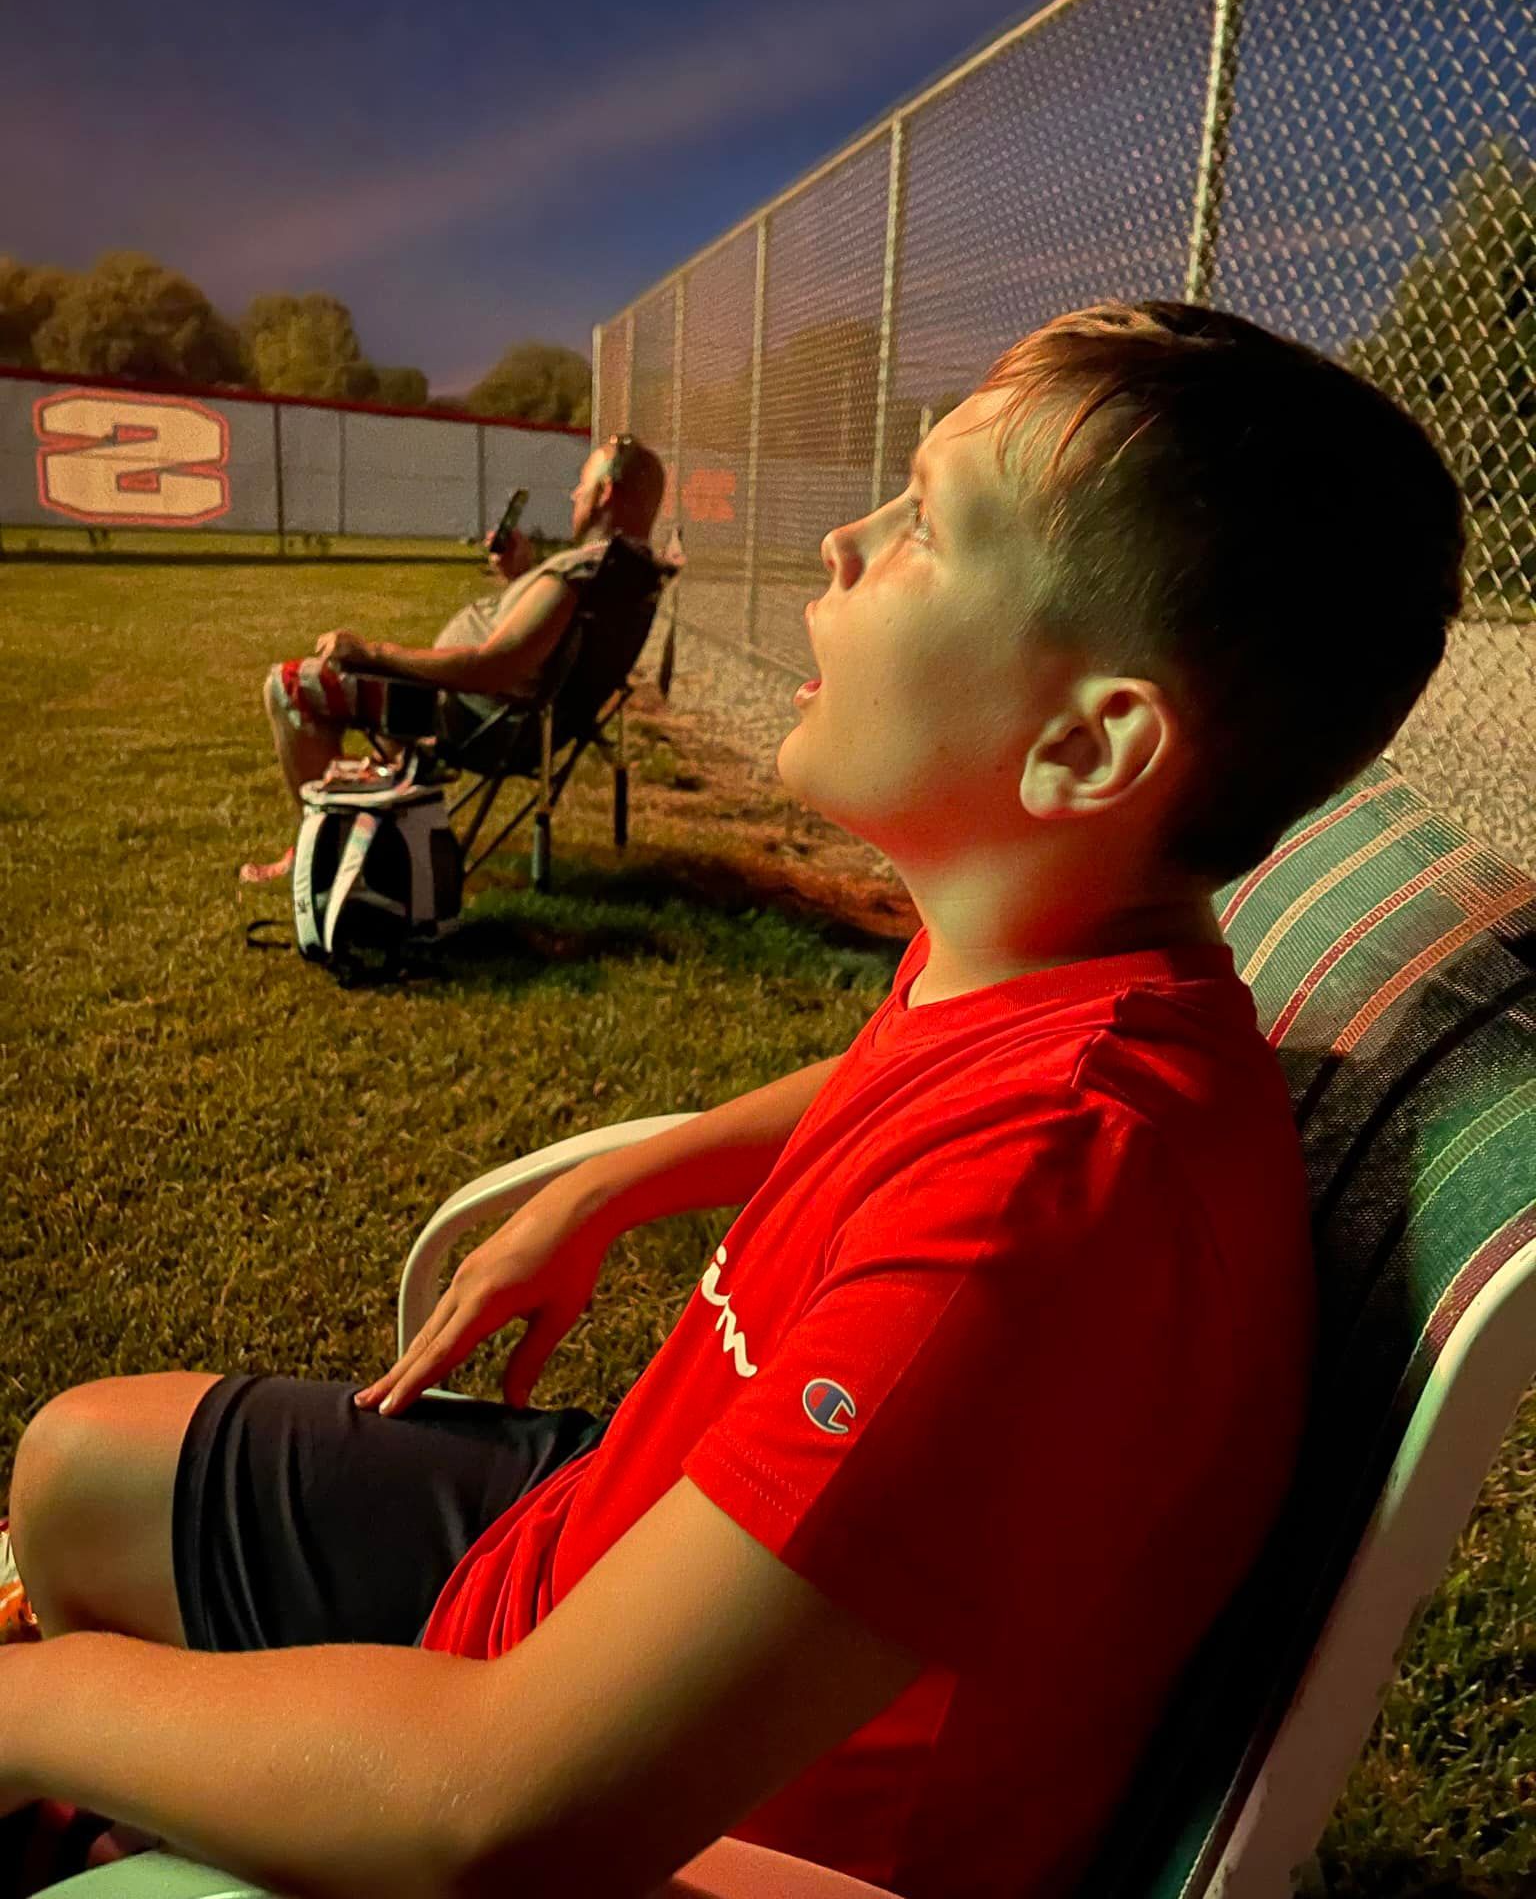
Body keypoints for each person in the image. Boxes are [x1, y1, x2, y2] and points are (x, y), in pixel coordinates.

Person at [1, 302, 1465, 1898]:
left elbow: (492, 1813)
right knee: (74, 1467)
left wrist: (26, 1707)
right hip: (595, 1535)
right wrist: (604, 1192)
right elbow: (894, 1079)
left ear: (1085, 745)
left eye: (926, 522)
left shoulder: (1050, 1200)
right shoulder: (1051, 964)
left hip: (695, 1823)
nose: (844, 539)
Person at [237, 433, 670, 883]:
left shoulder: (578, 573)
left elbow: (490, 666)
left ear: (604, 493)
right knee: (347, 689)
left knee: (291, 685)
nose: (575, 495)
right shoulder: (623, 573)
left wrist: (372, 654)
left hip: (462, 715)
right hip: (503, 716)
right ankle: (364, 835)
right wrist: (521, 576)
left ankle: (322, 854)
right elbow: (543, 648)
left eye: (582, 485)